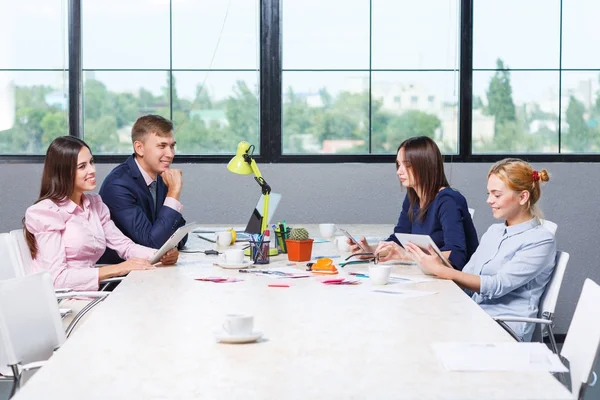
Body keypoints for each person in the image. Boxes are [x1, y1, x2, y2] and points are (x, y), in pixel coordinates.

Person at [404, 158, 555, 342]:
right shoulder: (494, 232)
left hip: (504, 330)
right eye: (489, 193)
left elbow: (496, 286)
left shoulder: (541, 240)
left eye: (496, 195)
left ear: (523, 197)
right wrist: (430, 273)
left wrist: (441, 270)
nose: (489, 200)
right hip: (476, 316)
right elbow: (468, 278)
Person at [24, 136, 178, 293]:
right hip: (61, 301)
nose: (92, 170)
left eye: (91, 162)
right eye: (82, 166)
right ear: (63, 172)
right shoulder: (46, 213)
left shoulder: (95, 205)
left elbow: (124, 246)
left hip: (88, 294)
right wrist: (117, 269)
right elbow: (55, 279)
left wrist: (160, 254)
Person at [350, 136, 478, 270]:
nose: (399, 171)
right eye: (398, 164)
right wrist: (370, 250)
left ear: (425, 165)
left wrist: (408, 255)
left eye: (407, 165)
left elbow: (456, 255)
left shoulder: (448, 200)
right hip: (431, 276)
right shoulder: (413, 197)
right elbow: (398, 240)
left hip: (455, 284)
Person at [99, 114, 186, 263]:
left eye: (172, 146)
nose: (170, 154)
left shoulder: (159, 177)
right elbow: (151, 243)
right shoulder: (118, 186)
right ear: (139, 148)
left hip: (150, 268)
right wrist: (174, 191)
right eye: (162, 146)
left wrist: (170, 248)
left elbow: (180, 232)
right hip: (122, 276)